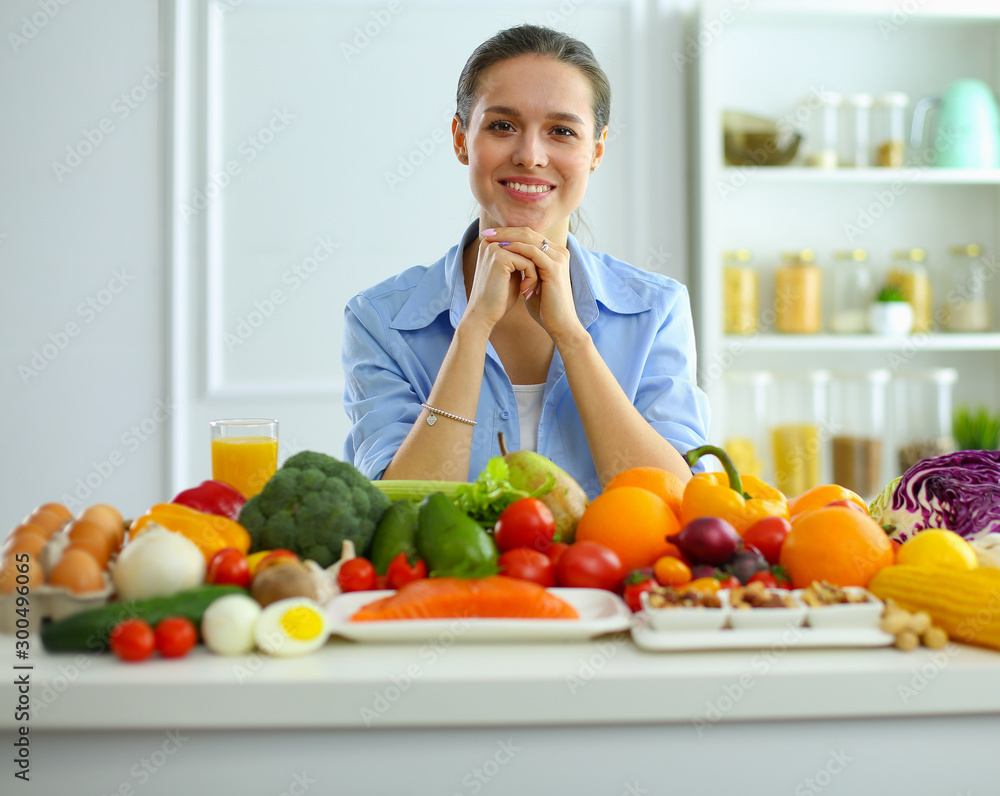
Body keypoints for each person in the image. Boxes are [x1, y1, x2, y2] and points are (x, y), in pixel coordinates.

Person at [342, 24, 709, 499]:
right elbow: (402, 509)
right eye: (502, 126)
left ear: (595, 151)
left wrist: (572, 338)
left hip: (604, 577)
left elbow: (678, 504)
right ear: (460, 139)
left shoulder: (657, 310)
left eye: (561, 131)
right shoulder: (379, 320)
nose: (530, 155)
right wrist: (473, 327)